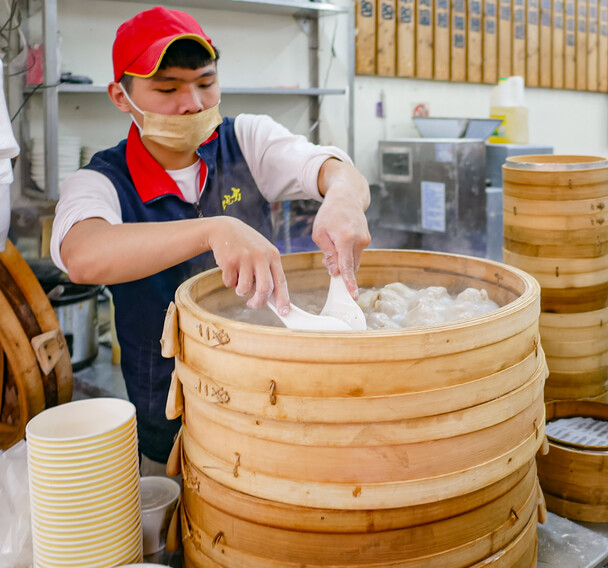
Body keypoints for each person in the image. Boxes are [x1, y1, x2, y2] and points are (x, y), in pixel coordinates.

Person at [49, 7, 372, 473]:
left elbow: (331, 168)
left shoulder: (245, 139)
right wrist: (212, 229)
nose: (194, 104)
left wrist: (342, 194)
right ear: (121, 96)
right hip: (172, 417)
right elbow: (83, 255)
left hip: (271, 401)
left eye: (205, 82)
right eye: (167, 89)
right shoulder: (101, 180)